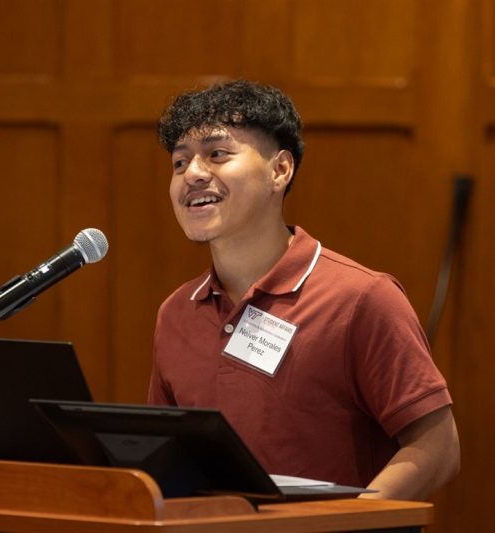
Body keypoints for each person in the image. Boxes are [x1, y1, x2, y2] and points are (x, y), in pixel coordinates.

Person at [147, 79, 460, 500]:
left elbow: (438, 448)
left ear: (279, 170)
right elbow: (162, 459)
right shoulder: (176, 313)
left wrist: (347, 524)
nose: (194, 174)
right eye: (180, 163)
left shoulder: (361, 299)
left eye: (217, 154)